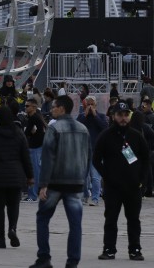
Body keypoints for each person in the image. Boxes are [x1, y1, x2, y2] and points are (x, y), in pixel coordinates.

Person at [30, 95, 91, 268]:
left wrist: (43, 185)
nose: (51, 109)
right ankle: (73, 261)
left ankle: (44, 258)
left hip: (55, 182)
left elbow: (48, 157)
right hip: (75, 183)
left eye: (54, 106)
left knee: (42, 218)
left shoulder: (54, 129)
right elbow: (88, 156)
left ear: (62, 108)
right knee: (75, 224)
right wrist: (83, 181)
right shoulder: (83, 129)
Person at [92, 102, 148, 261]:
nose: (123, 118)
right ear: (113, 116)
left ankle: (135, 250)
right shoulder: (105, 136)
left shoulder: (136, 135)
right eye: (120, 115)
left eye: (126, 115)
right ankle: (109, 249)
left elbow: (145, 159)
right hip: (112, 188)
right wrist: (106, 176)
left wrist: (141, 180)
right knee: (111, 220)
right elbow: (96, 160)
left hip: (133, 187)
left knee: (134, 220)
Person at [0, 106, 34, 249]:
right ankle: (12, 228)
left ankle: (1, 239)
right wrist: (30, 176)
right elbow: (26, 157)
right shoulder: (18, 134)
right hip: (15, 175)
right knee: (14, 205)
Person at [76, 95, 108, 206]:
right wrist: (85, 115)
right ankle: (84, 196)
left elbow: (105, 128)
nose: (90, 107)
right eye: (88, 104)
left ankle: (95, 199)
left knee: (95, 177)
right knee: (83, 177)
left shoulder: (102, 116)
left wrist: (95, 115)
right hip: (83, 150)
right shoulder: (81, 116)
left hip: (96, 151)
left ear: (95, 105)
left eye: (92, 104)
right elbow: (77, 128)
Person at [24, 98, 47, 202]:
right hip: (37, 147)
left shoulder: (34, 118)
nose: (25, 107)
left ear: (33, 107)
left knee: (34, 172)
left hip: (35, 147)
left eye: (27, 106)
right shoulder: (37, 117)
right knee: (36, 170)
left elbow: (28, 132)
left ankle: (32, 195)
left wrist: (30, 133)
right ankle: (33, 194)